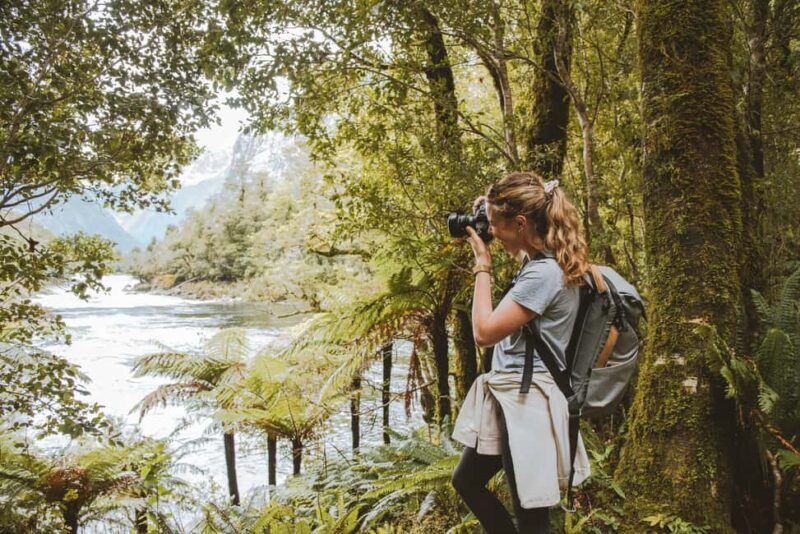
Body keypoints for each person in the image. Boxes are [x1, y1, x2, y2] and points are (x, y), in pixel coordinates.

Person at [450, 171, 592, 534]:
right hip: (513, 397)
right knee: (467, 480)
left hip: (528, 406)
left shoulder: (542, 275)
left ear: (522, 223)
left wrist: (483, 263)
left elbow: (483, 332)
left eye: (496, 225)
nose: (491, 232)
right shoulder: (539, 260)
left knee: (531, 515)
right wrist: (489, 206)